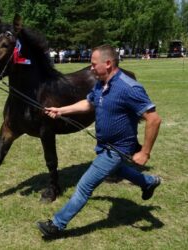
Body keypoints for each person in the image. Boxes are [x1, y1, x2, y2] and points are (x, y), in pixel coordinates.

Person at [36, 44, 162, 237]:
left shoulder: (129, 88)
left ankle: (57, 224)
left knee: (84, 186)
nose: (91, 68)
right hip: (105, 146)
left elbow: (154, 119)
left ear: (109, 63)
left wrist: (144, 152)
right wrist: (60, 110)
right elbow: (88, 103)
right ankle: (148, 182)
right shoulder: (101, 84)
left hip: (118, 149)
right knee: (119, 169)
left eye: (94, 64)